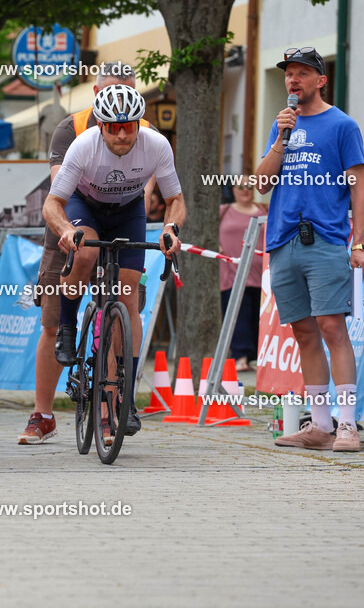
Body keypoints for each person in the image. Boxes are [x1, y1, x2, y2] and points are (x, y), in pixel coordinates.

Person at [18, 62, 163, 445]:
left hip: (123, 215)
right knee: (52, 322)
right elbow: (59, 189)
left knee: (122, 309)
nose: (120, 101)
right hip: (73, 217)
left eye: (129, 91)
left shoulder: (145, 131)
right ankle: (43, 414)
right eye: (111, 90)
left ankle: (114, 407)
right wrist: (70, 231)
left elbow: (147, 187)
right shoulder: (72, 128)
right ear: (97, 93)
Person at [43, 84, 184, 444]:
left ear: (138, 124)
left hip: (127, 212)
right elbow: (52, 204)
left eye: (129, 126)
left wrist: (170, 228)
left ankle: (125, 400)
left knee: (128, 298)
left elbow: (175, 199)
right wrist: (65, 230)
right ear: (101, 125)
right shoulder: (83, 145)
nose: (122, 134)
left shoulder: (156, 144)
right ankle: (67, 325)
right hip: (85, 206)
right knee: (85, 253)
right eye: (114, 127)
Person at [255, 47, 364, 452]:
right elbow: (262, 183)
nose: (293, 80)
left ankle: (348, 424)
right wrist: (279, 140)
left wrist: (358, 243)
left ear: (321, 80)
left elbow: (359, 189)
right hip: (283, 240)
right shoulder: (281, 125)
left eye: (302, 73)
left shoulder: (342, 125)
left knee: (332, 327)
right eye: (289, 73)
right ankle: (320, 425)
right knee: (303, 332)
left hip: (325, 238)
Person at [218, 179, 266, 372]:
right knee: (238, 316)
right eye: (240, 187)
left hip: (262, 275)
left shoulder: (264, 210)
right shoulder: (223, 211)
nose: (245, 190)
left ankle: (257, 358)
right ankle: (240, 357)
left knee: (259, 317)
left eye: (249, 186)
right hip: (232, 274)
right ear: (233, 190)